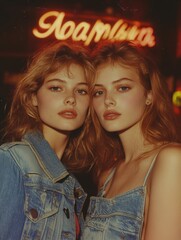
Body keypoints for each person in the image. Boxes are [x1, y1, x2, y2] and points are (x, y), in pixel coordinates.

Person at [81, 41, 181, 240]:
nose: (108, 100)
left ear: (149, 96)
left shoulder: (170, 160)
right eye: (99, 92)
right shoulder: (107, 174)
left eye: (122, 87)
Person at [0, 41, 94, 240]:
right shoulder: (13, 160)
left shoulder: (72, 183)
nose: (70, 98)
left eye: (81, 91)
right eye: (56, 88)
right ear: (33, 97)